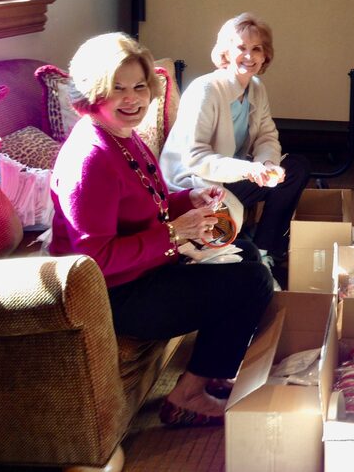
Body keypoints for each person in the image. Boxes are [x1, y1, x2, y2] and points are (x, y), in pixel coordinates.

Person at [49, 33, 274, 427]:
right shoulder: (90, 160)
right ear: (92, 93)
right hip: (115, 296)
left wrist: (190, 199)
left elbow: (146, 202)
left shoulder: (122, 137)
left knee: (248, 254)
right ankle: (189, 396)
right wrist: (174, 234)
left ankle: (213, 372)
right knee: (250, 281)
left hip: (144, 271)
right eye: (115, 88)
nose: (131, 98)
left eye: (138, 86)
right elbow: (94, 263)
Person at [160, 13, 310, 284]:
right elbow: (194, 158)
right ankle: (248, 256)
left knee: (296, 168)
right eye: (241, 48)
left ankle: (265, 251)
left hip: (234, 174)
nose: (249, 56)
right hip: (195, 183)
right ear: (226, 52)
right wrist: (248, 169)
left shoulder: (255, 87)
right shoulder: (205, 90)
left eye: (257, 49)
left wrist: (266, 166)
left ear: (266, 56)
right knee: (224, 244)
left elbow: (267, 135)